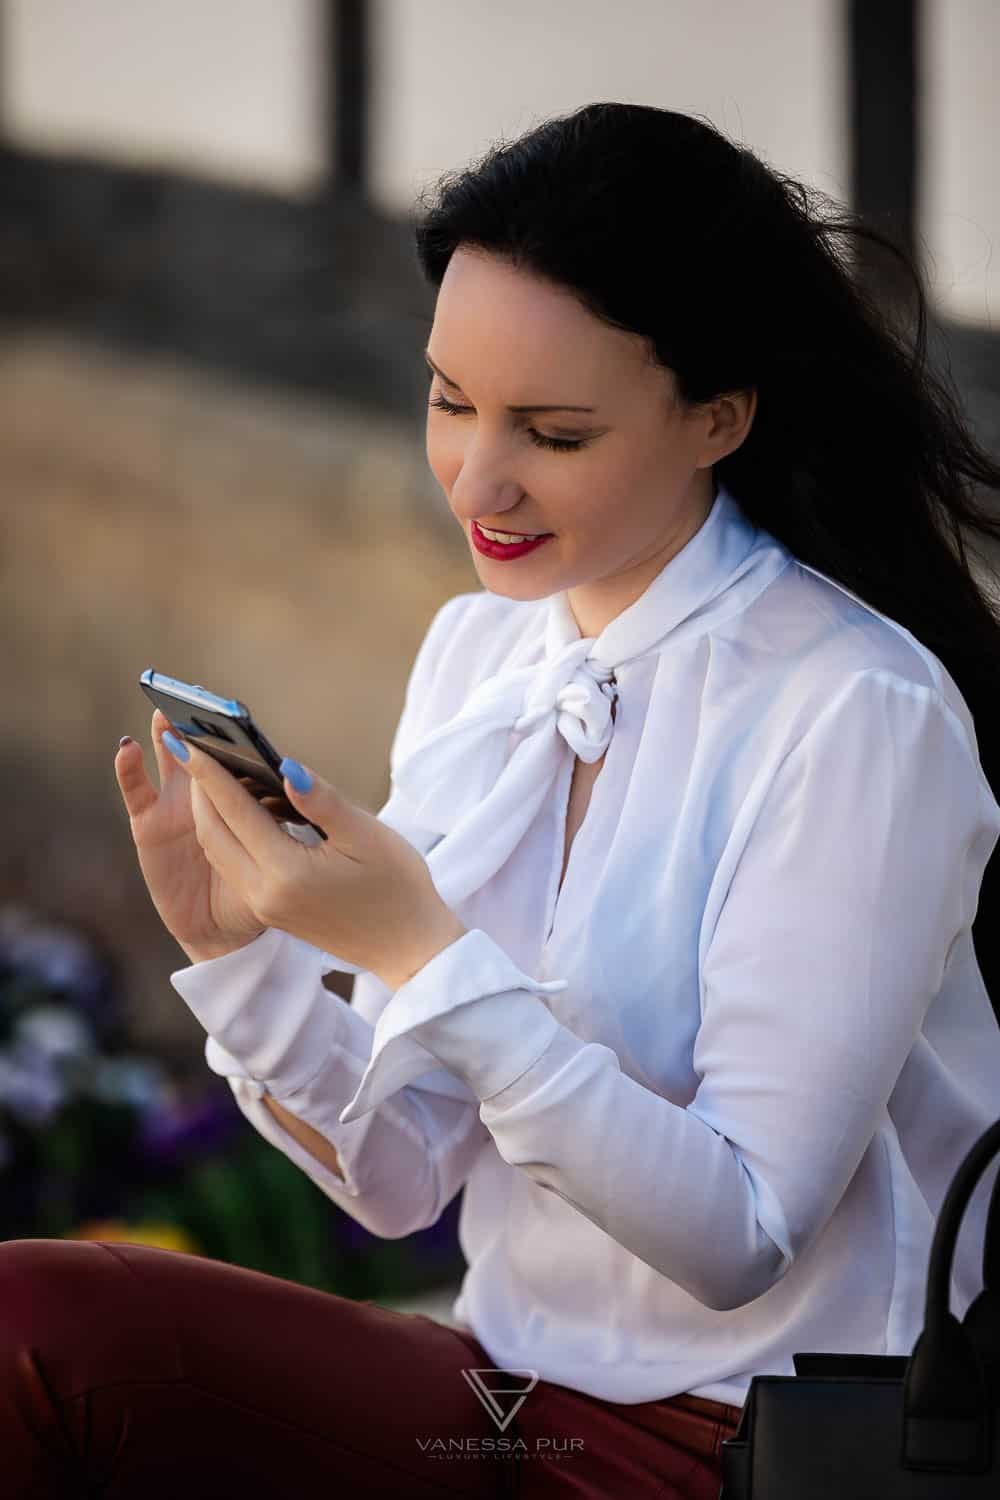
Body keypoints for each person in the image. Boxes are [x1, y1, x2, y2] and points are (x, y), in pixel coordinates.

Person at [4, 100, 1000, 1500]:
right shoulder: (483, 651)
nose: (480, 476)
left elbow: (739, 1235)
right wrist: (240, 956)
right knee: (33, 1328)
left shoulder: (855, 716)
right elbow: (405, 1180)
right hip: (500, 1391)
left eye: (555, 430)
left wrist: (422, 951)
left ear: (719, 415)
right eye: (450, 398)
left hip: (750, 1442)